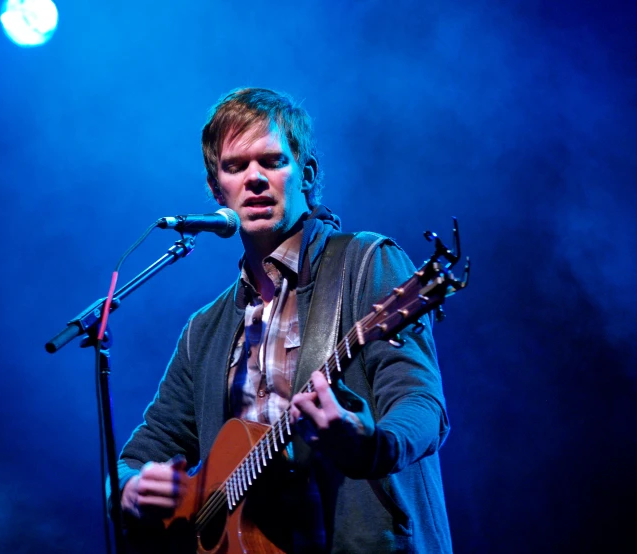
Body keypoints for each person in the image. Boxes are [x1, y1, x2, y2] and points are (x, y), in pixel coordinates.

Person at [112, 87, 453, 553]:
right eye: (235, 167)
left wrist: (372, 443)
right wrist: (130, 489)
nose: (254, 179)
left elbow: (422, 404)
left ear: (307, 175)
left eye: (272, 162)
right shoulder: (205, 330)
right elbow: (141, 453)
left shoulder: (366, 263)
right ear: (217, 191)